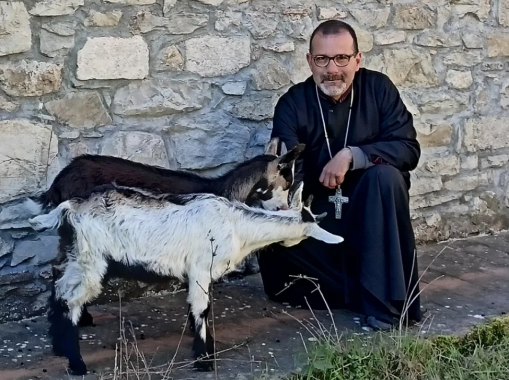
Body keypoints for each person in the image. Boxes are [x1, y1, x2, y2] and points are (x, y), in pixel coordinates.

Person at [257, 20, 423, 330]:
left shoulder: (379, 90)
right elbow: (285, 173)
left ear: (357, 60)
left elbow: (407, 149)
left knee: (385, 178)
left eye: (341, 58)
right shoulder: (293, 104)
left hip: (371, 222)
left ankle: (382, 306)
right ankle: (365, 285)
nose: (332, 69)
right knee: (276, 251)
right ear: (310, 61)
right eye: (322, 59)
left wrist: (352, 156)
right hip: (320, 227)